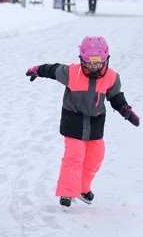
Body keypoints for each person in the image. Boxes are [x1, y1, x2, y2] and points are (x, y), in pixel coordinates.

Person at [25, 36, 140, 207]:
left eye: (98, 63)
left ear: (106, 60)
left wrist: (125, 110)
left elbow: (115, 96)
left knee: (96, 157)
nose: (94, 67)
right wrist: (37, 70)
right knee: (74, 156)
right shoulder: (72, 73)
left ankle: (82, 188)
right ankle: (67, 192)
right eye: (90, 63)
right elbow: (53, 70)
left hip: (95, 122)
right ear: (82, 60)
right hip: (73, 120)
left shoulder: (112, 77)